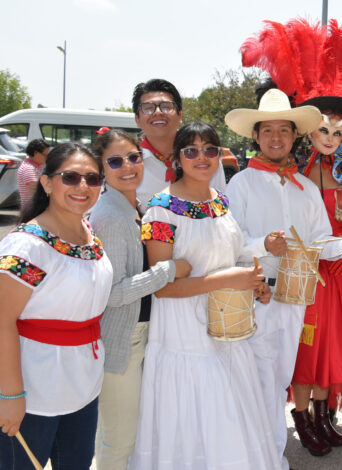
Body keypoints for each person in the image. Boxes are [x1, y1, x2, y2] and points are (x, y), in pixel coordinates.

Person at [238, 16, 342, 457]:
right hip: (295, 278)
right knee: (306, 352)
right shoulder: (296, 174)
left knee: (332, 350)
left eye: (338, 132)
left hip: (339, 271)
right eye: (322, 129)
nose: (330, 137)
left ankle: (322, 417)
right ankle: (300, 418)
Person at [224, 87, 342, 465]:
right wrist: (261, 245)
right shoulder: (240, 183)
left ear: (294, 136)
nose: (276, 137)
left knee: (277, 385)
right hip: (254, 296)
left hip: (294, 298)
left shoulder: (305, 188)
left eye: (284, 130)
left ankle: (272, 458)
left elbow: (320, 243)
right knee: (252, 383)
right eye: (268, 130)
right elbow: (228, 242)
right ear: (255, 136)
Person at [129, 122, 279, 468]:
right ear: (177, 158)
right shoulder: (160, 210)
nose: (202, 157)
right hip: (183, 335)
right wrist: (226, 279)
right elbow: (162, 287)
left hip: (228, 328)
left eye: (210, 149)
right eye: (191, 150)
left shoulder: (221, 203)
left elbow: (235, 254)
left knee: (230, 416)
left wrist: (255, 284)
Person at [0, 143, 112, 469]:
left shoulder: (88, 233)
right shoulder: (28, 247)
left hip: (83, 387)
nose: (83, 187)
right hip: (32, 392)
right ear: (47, 183)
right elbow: (2, 320)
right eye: (70, 177)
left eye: (92, 179)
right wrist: (9, 396)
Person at [89, 129, 192, 470]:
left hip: (142, 332)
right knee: (118, 439)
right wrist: (168, 270)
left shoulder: (136, 207)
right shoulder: (113, 217)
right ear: (101, 168)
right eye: (115, 161)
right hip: (122, 339)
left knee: (130, 434)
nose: (128, 166)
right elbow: (114, 292)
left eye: (134, 157)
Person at [132, 79, 225, 212]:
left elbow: (219, 211)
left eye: (166, 106)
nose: (158, 112)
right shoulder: (128, 165)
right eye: (148, 108)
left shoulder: (207, 158)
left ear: (180, 115)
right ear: (137, 120)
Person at [16, 139, 49, 212]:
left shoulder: (38, 165)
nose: (47, 158)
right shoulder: (28, 169)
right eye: (45, 155)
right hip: (32, 211)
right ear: (36, 153)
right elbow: (36, 192)